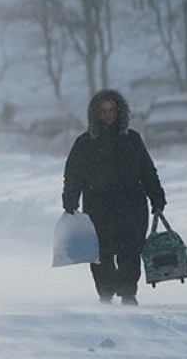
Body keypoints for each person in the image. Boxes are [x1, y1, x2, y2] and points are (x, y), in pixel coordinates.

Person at [61, 88, 167, 305]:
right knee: (102, 253)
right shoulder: (85, 143)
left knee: (130, 251)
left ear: (120, 112)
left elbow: (147, 170)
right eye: (103, 111)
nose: (108, 115)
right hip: (99, 206)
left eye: (112, 110)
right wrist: (70, 199)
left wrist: (157, 197)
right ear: (95, 114)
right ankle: (106, 293)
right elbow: (73, 174)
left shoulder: (132, 139)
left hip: (131, 205)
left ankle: (129, 293)